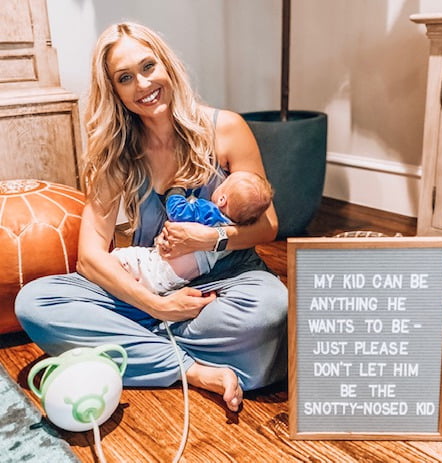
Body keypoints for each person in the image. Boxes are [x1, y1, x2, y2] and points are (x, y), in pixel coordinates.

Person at [15, 22, 287, 413]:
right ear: (115, 91)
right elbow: (89, 257)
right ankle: (190, 368)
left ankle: (130, 344)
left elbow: (268, 226)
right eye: (125, 78)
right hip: (150, 282)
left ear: (167, 65)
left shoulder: (226, 128)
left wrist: (207, 239)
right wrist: (156, 305)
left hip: (228, 279)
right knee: (35, 302)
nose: (143, 84)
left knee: (272, 309)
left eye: (148, 66)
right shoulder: (116, 152)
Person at [112, 170, 274, 294]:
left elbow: (177, 212)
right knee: (149, 280)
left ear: (222, 200)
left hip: (164, 265)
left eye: (223, 184)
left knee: (120, 257)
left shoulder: (208, 211)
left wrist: (176, 189)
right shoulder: (234, 229)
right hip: (182, 278)